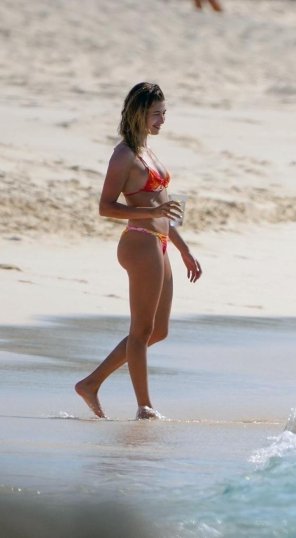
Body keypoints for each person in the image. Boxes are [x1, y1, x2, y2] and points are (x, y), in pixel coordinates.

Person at [75, 82, 203, 420]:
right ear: (138, 114)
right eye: (156, 114)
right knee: (141, 330)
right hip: (139, 241)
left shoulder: (148, 150)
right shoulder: (124, 155)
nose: (162, 121)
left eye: (164, 114)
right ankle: (145, 407)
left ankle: (91, 383)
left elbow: (165, 207)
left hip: (160, 242)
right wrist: (150, 215)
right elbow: (105, 207)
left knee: (158, 331)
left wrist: (184, 249)